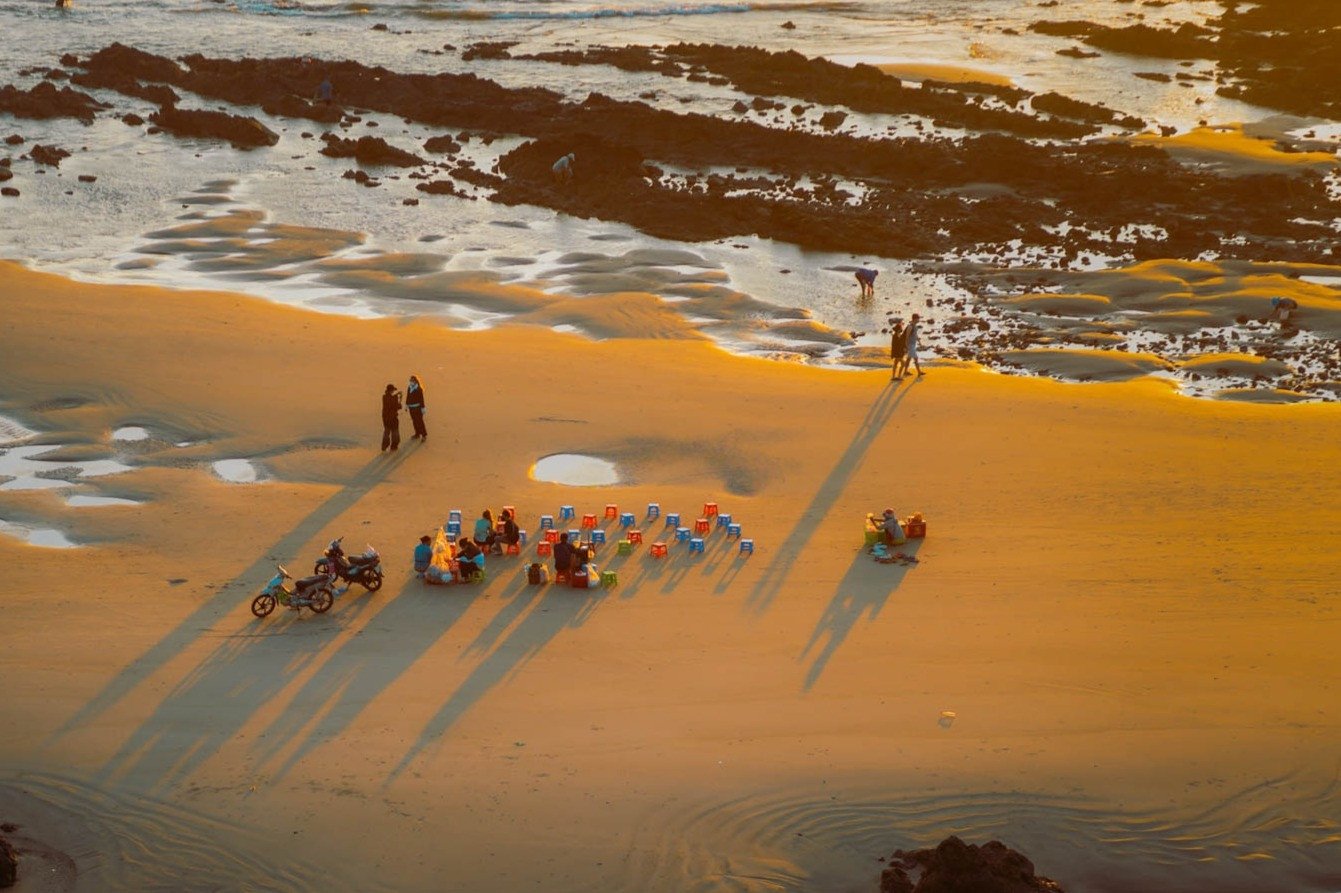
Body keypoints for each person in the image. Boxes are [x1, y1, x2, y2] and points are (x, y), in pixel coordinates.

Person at [380, 383, 401, 452]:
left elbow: (390, 399)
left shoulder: (384, 397)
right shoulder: (393, 398)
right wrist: (399, 399)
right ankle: (394, 446)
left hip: (385, 418)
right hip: (393, 418)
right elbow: (398, 407)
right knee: (395, 432)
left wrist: (396, 396)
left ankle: (384, 446)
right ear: (391, 390)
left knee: (386, 432)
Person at [406, 374, 427, 441]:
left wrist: (423, 408)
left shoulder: (418, 389)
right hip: (411, 408)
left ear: (415, 381)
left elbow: (421, 399)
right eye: (410, 380)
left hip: (417, 408)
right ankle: (417, 434)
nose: (411, 382)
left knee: (420, 422)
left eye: (412, 380)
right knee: (414, 421)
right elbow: (408, 397)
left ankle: (424, 435)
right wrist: (406, 405)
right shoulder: (409, 388)